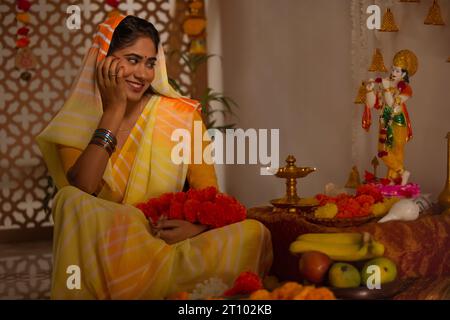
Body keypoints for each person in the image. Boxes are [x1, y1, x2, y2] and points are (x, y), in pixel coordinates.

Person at [36, 15, 273, 299]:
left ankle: (159, 287)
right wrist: (113, 111)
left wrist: (195, 227)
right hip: (106, 252)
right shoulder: (77, 119)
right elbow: (84, 185)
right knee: (69, 199)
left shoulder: (180, 116)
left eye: (150, 63)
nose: (143, 74)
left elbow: (210, 195)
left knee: (254, 232)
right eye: (132, 60)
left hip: (163, 244)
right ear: (103, 60)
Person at [364, 50, 418, 185]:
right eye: (393, 69)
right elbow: (371, 104)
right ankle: (401, 172)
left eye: (398, 71)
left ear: (404, 74)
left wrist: (387, 88)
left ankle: (393, 181)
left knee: (396, 152)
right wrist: (370, 90)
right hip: (384, 122)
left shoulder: (405, 89)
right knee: (383, 151)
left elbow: (391, 103)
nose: (393, 72)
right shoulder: (385, 84)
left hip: (398, 123)